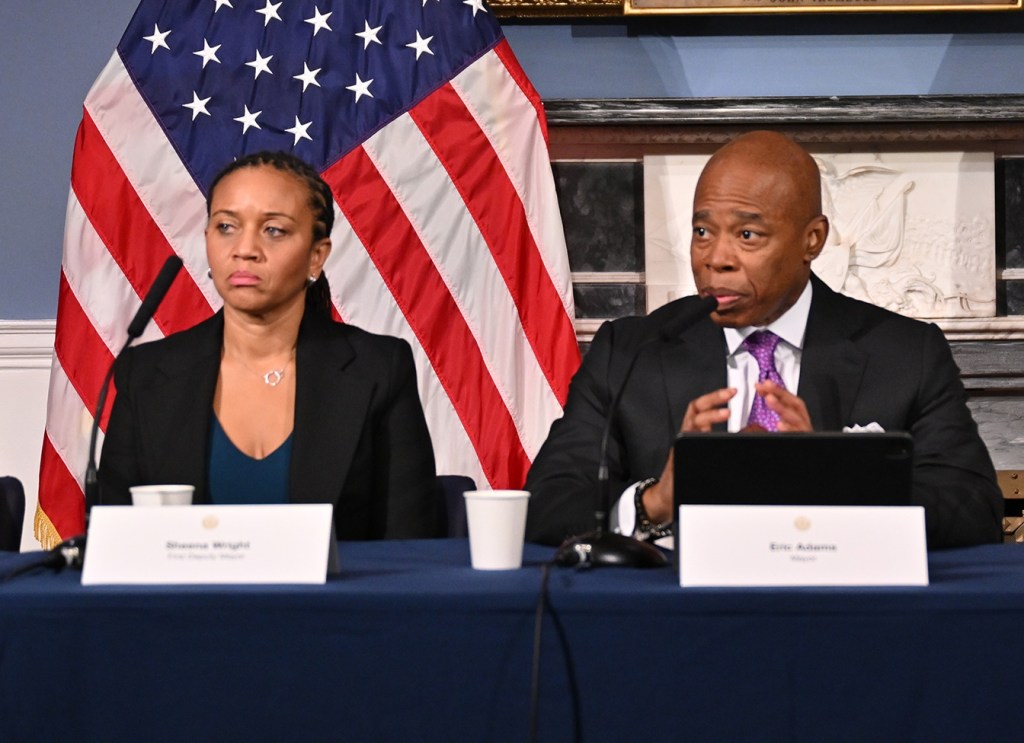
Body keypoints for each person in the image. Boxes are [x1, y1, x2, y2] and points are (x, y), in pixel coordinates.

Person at [525, 130, 1002, 550]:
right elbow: (550, 502)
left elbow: (972, 507)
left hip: (843, 619)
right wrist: (658, 499)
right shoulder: (630, 352)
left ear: (811, 241)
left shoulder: (904, 354)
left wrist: (835, 478)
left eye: (748, 234)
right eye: (702, 231)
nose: (717, 258)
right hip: (679, 620)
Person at [99, 151, 438, 539]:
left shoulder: (378, 370)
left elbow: (410, 549)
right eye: (226, 226)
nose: (245, 249)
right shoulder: (145, 375)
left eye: (273, 230)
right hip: (182, 602)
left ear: (316, 256)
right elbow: (116, 543)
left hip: (337, 601)